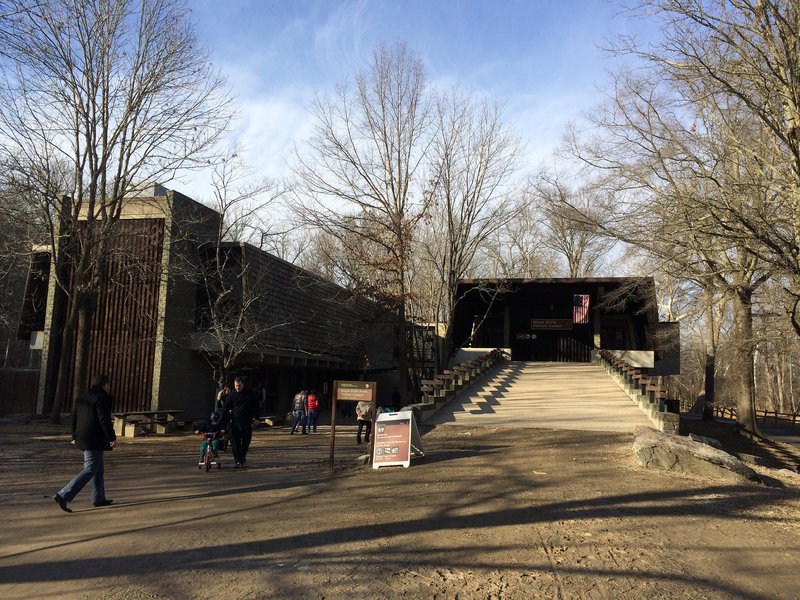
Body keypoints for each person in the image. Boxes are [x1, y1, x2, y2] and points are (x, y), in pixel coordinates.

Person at [53, 374, 117, 512]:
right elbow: (104, 420)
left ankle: (98, 498)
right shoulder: (101, 398)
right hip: (93, 438)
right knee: (91, 468)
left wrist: (74, 435)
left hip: (83, 436)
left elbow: (74, 418)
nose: (109, 387)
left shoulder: (82, 398)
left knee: (98, 468)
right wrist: (112, 437)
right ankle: (63, 495)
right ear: (104, 385)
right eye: (108, 385)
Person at [221, 376, 260, 468]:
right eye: (236, 386)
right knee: (235, 442)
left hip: (247, 421)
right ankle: (238, 460)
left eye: (239, 385)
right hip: (235, 422)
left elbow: (256, 406)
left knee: (246, 441)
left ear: (243, 384)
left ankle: (242, 456)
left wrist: (257, 418)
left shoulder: (250, 393)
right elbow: (226, 409)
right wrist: (223, 423)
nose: (237, 387)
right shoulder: (232, 395)